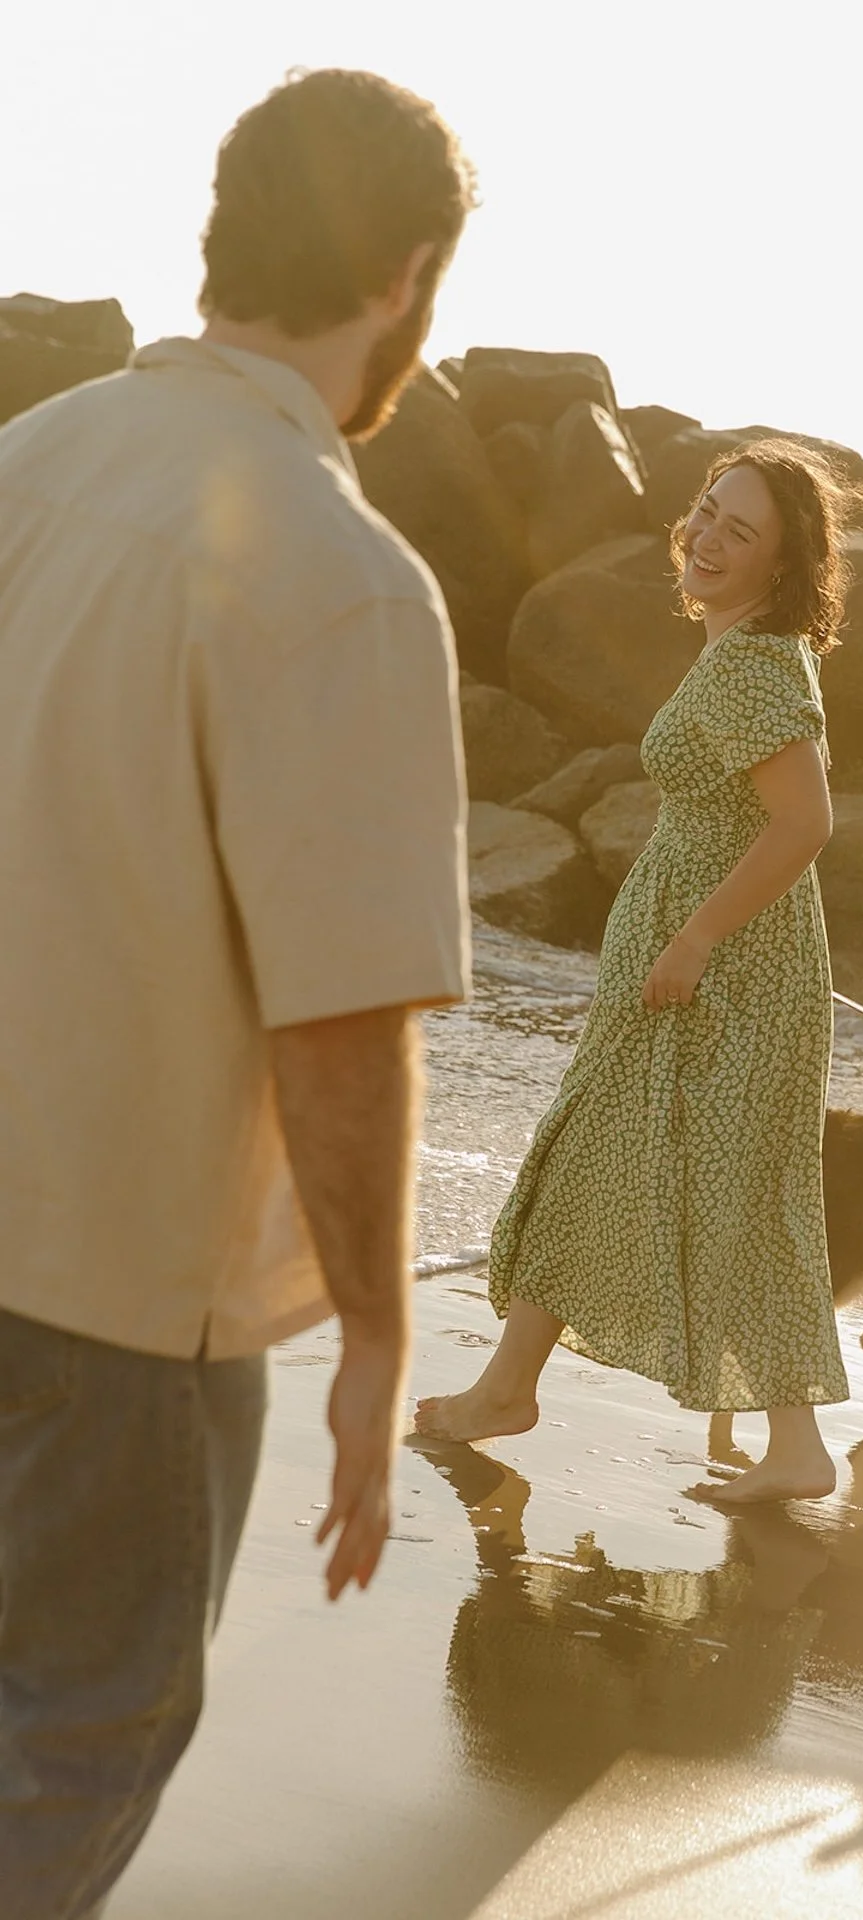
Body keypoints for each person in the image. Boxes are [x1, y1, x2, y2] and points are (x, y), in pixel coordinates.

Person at [0, 69, 474, 1918]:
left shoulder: (25, 465)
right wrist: (371, 1336)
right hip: (119, 1299)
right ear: (408, 273)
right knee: (64, 1755)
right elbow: (344, 1019)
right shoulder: (342, 575)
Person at [418, 440, 863, 1502]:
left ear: (782, 563)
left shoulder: (760, 663)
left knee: (719, 1186)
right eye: (707, 513)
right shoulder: (741, 650)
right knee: (640, 1167)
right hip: (704, 966)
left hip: (724, 979)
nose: (709, 539)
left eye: (740, 531)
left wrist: (695, 938)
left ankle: (515, 1396)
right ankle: (515, 1391)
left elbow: (804, 824)